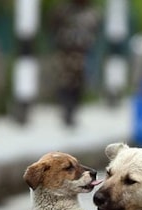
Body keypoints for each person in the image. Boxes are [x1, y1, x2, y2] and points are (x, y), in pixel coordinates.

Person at [50, 0, 101, 128]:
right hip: (65, 51)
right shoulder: (63, 10)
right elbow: (53, 26)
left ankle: (72, 111)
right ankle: (66, 110)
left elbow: (95, 29)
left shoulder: (91, 13)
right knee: (65, 81)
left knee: (78, 83)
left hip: (82, 53)